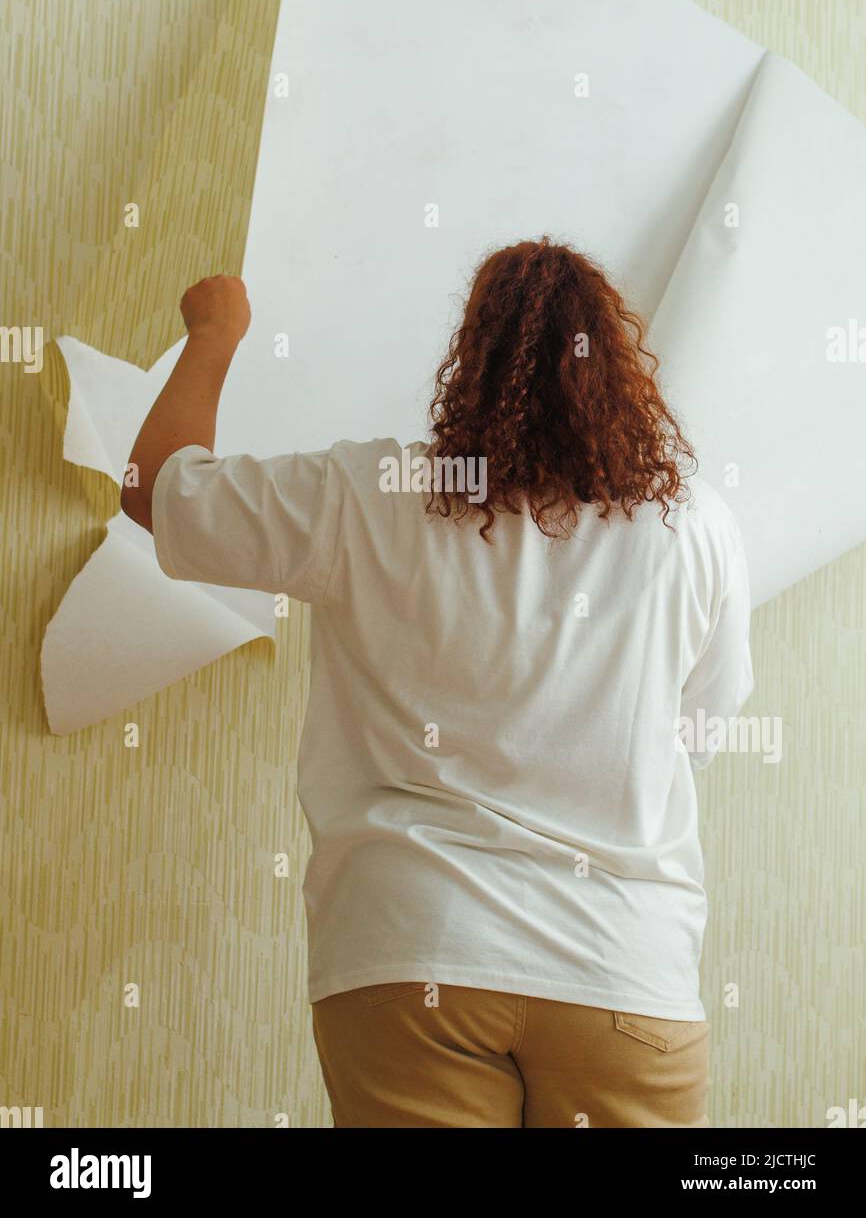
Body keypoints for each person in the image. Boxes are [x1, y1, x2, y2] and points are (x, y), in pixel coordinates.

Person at [121, 237, 753, 1128]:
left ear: (473, 362)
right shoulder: (696, 527)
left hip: (414, 951)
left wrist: (215, 331)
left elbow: (155, 490)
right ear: (617, 366)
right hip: (625, 972)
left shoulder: (373, 493)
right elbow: (702, 727)